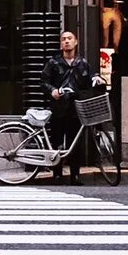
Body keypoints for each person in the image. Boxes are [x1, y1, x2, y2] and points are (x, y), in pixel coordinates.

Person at [44, 30, 105, 181]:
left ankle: (75, 175)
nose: (66, 41)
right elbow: (44, 82)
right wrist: (53, 91)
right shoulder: (53, 63)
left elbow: (90, 78)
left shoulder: (82, 63)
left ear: (76, 42)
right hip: (59, 107)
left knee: (75, 142)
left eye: (69, 39)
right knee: (57, 141)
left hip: (75, 108)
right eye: (64, 39)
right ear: (60, 44)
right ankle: (57, 174)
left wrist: (97, 79)